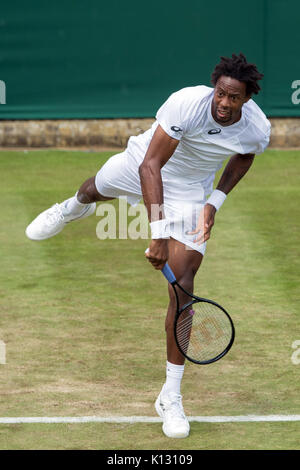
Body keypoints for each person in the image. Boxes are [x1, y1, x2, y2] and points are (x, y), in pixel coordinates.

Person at [26, 53, 271, 439]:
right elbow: (150, 167)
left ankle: (170, 396)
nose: (225, 104)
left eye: (234, 98)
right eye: (221, 94)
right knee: (95, 190)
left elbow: (244, 157)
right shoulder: (186, 103)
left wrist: (214, 202)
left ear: (247, 98)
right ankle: (70, 210)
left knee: (184, 287)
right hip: (147, 160)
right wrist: (157, 236)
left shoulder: (257, 128)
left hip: (190, 190)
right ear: (214, 88)